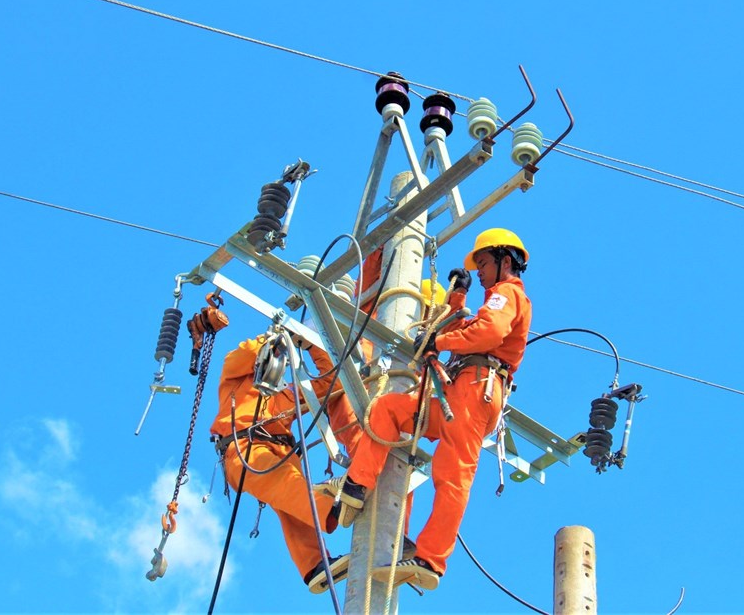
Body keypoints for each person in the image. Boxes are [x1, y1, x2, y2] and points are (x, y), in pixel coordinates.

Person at [317, 228, 532, 591]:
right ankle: (357, 484)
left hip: (477, 390)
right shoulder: (493, 299)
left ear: (505, 261)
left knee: (452, 474)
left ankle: (430, 560)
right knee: (390, 409)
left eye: (482, 263)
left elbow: (488, 333)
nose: (479, 271)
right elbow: (469, 330)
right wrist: (457, 297)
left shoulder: (508, 294)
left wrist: (438, 339)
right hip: (460, 391)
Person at [209, 335, 362, 594]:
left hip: (280, 453)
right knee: (287, 484)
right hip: (245, 449)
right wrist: (278, 336)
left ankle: (314, 565)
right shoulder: (235, 378)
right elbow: (243, 353)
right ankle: (334, 509)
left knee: (291, 505)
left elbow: (331, 382)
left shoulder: (288, 394)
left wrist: (311, 344)